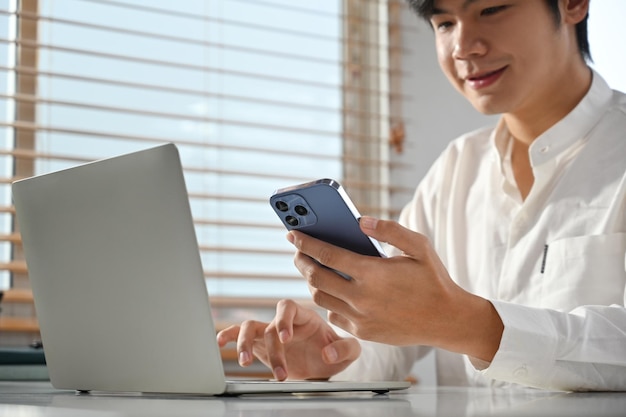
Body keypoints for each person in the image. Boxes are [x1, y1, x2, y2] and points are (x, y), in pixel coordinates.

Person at [217, 0, 626, 391]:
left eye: (490, 9)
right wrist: (330, 357)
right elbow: (389, 343)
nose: (463, 48)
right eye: (444, 23)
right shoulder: (455, 169)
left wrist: (469, 325)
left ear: (573, 3)